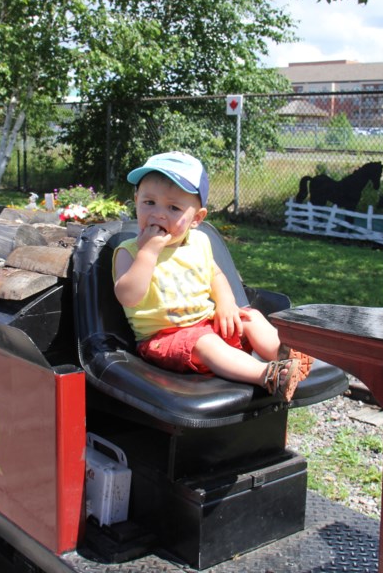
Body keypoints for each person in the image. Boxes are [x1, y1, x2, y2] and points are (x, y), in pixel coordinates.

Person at [113, 151, 315, 402]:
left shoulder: (199, 242)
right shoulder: (130, 251)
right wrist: (148, 253)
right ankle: (268, 375)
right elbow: (128, 296)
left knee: (250, 317)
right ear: (136, 200)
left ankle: (287, 356)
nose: (158, 214)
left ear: (197, 218)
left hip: (206, 324)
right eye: (149, 203)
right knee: (205, 342)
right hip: (163, 339)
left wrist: (226, 304)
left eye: (173, 207)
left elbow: (215, 275)